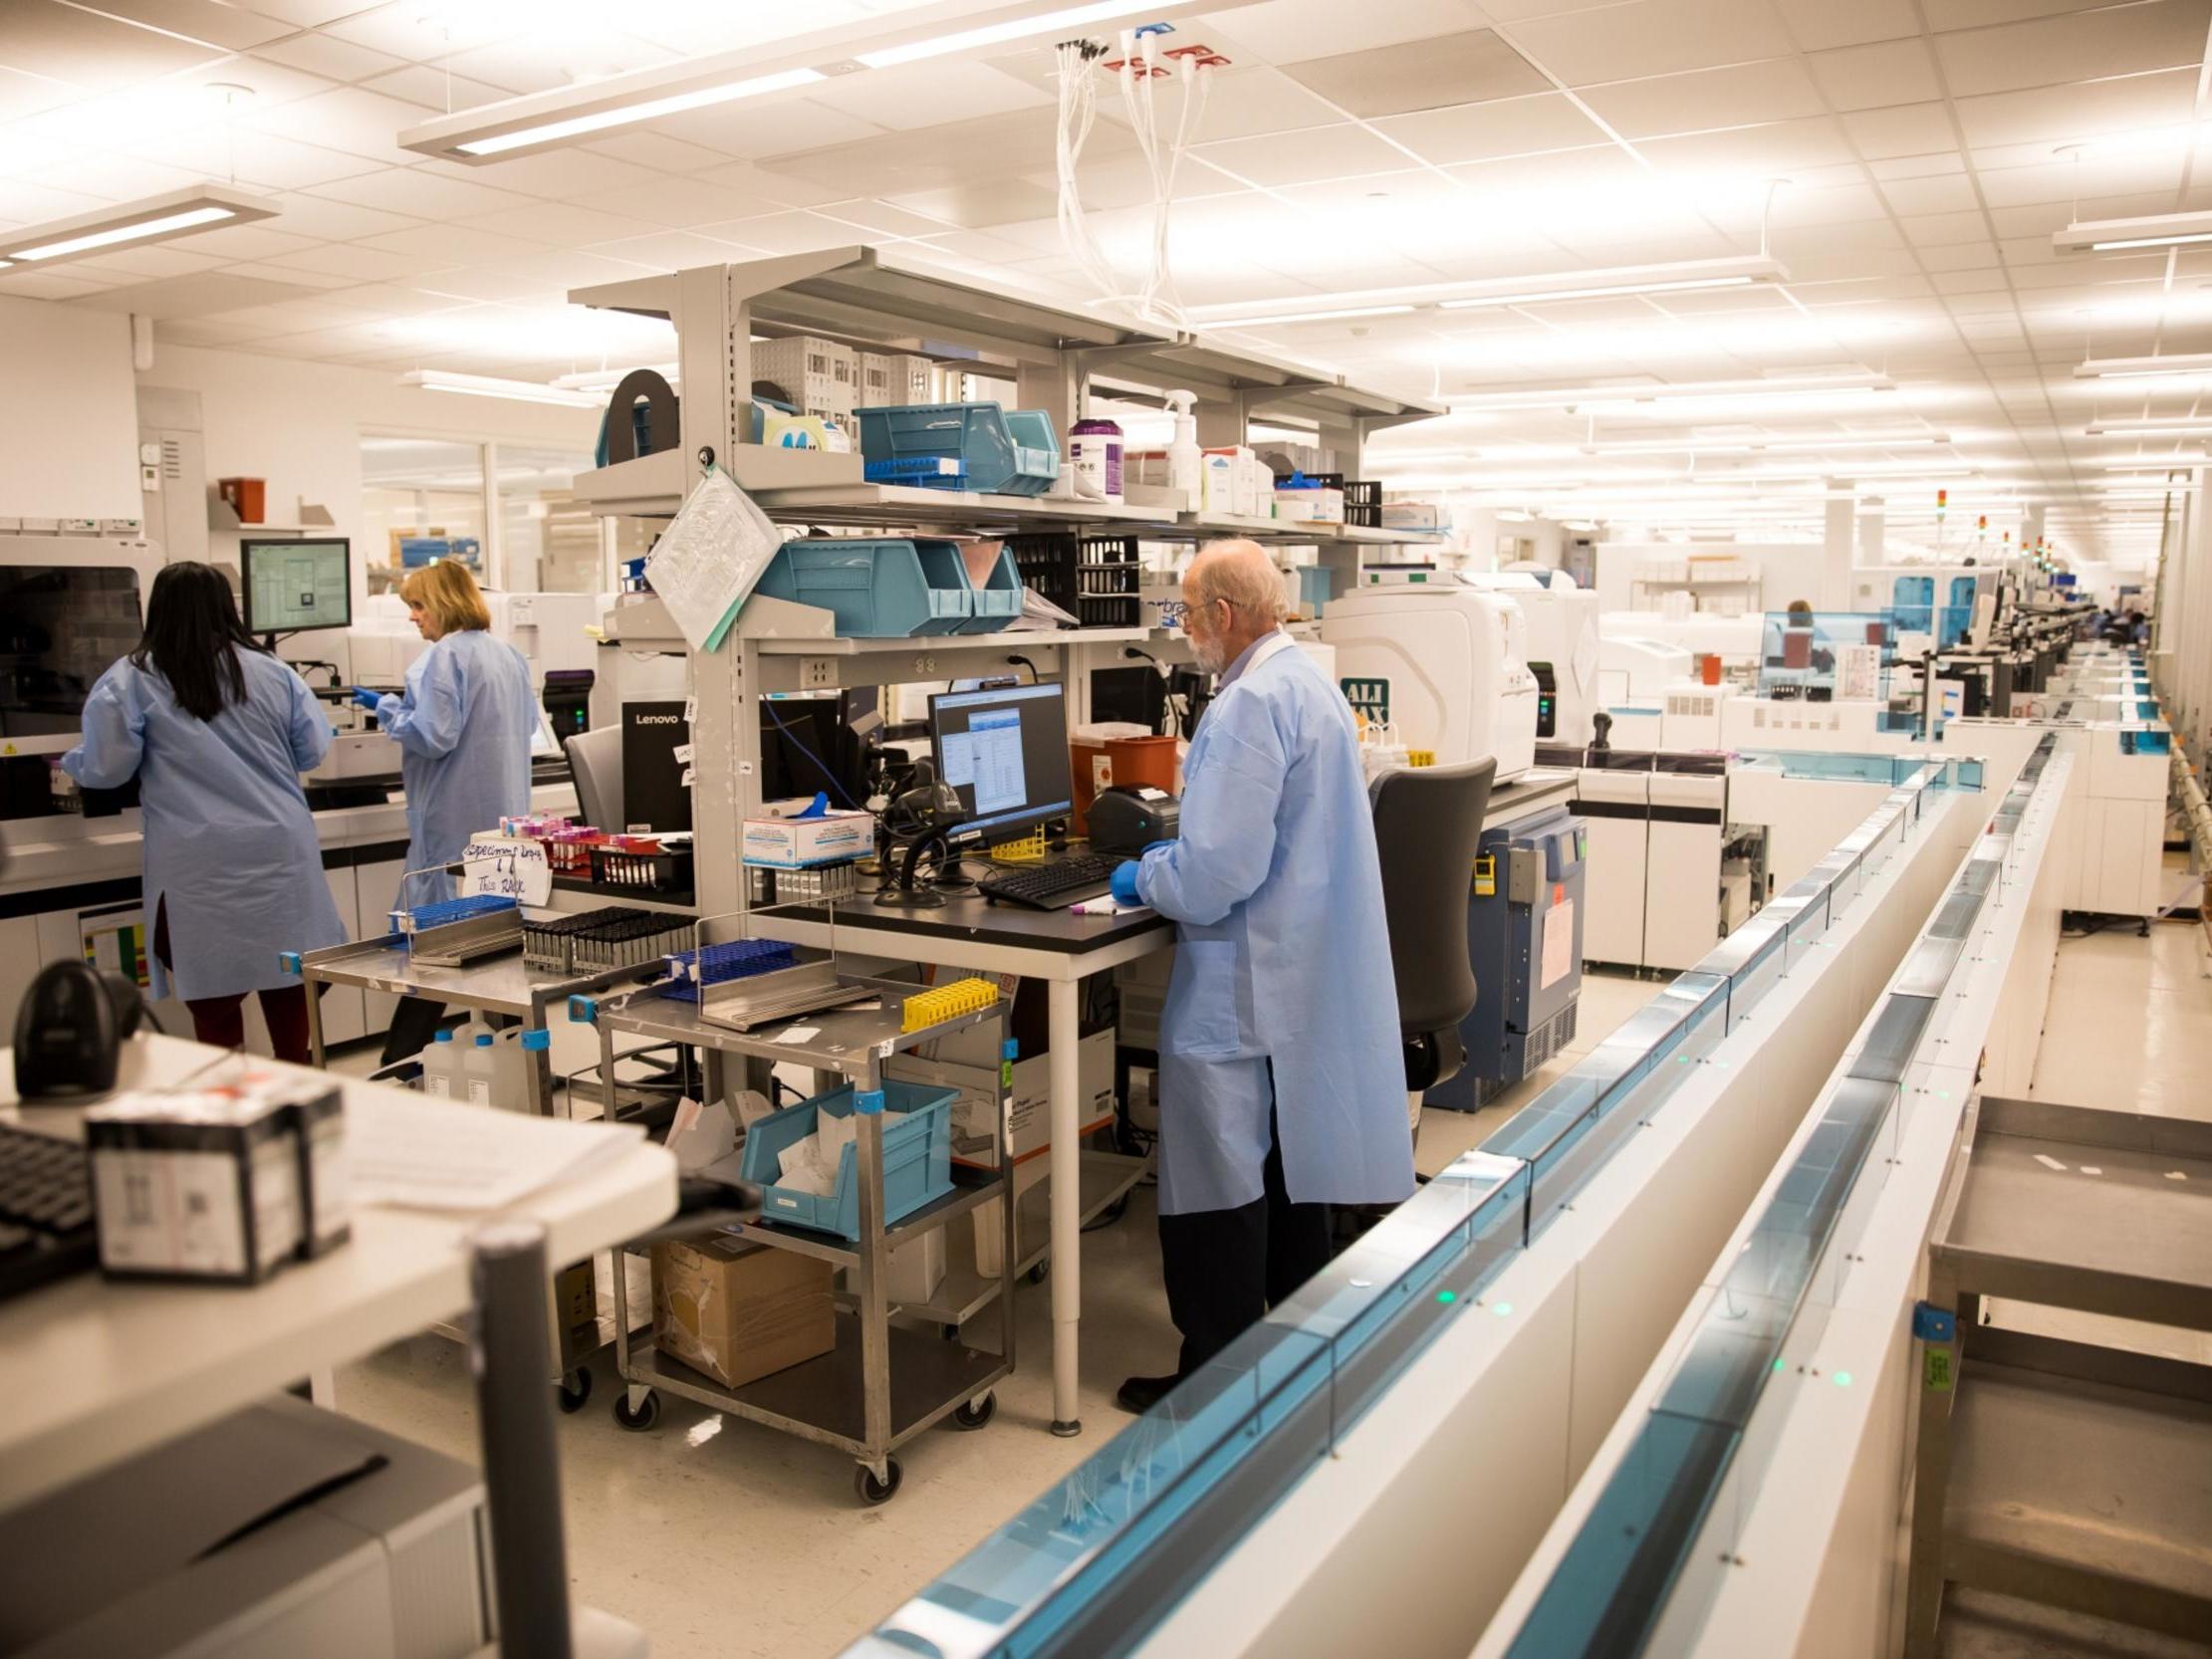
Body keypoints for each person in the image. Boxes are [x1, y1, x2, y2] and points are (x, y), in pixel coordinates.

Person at [1106, 540, 1413, 1413]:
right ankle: (1287, 1347)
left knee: (1218, 1167)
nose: (1185, 629)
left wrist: (1148, 872)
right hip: (1298, 960)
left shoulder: (1245, 707)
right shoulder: (1306, 681)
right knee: (1283, 1168)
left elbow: (1215, 879)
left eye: (1188, 613)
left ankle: (1216, 1369)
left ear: (1225, 616)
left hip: (1245, 974)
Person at [62, 562, 346, 1062]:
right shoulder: (274, 673)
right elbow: (312, 751)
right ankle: (299, 1080)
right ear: (226, 608)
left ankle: (226, 1089)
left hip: (196, 861)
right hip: (278, 850)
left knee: (211, 987)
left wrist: (70, 764)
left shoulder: (130, 679)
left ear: (158, 610)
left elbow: (106, 769)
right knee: (287, 974)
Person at [357, 561, 535, 1063]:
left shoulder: (441, 659)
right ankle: (517, 1060)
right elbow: (526, 729)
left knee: (434, 952)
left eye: (417, 606)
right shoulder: (508, 655)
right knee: (497, 950)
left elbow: (433, 737)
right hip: (503, 825)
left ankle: (396, 1064)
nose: (414, 618)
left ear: (444, 604)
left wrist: (388, 709)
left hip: (452, 824)